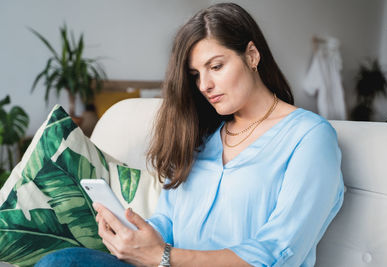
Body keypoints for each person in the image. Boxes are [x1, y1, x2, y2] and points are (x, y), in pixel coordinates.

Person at [36, 3, 344, 267]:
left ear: (252, 55)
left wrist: (164, 256)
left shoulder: (310, 137)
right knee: (59, 261)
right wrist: (138, 235)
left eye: (216, 66)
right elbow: (167, 223)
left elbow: (277, 252)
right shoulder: (203, 136)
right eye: (196, 74)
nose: (204, 85)